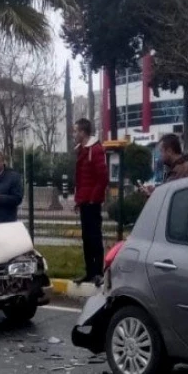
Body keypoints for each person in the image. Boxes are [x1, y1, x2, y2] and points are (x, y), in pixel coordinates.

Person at [73, 119, 108, 285]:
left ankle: (98, 272)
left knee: (94, 236)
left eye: (76, 131)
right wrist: (78, 199)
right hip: (85, 200)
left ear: (83, 132)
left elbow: (102, 177)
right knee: (86, 237)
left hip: (92, 201)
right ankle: (89, 271)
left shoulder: (95, 150)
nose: (74, 134)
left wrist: (94, 198)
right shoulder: (82, 150)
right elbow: (80, 178)